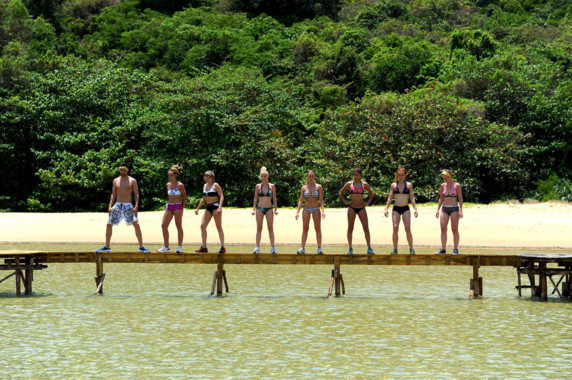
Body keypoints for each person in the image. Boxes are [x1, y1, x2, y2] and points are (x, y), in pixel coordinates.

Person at [96, 163, 150, 253]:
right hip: (117, 205)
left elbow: (136, 194)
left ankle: (141, 247)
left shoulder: (132, 180)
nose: (122, 171)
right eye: (121, 170)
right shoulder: (116, 180)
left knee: (136, 224)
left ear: (127, 170)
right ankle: (107, 246)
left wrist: (136, 206)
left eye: (124, 170)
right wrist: (110, 206)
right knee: (109, 224)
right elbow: (113, 194)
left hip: (128, 206)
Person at [338, 168, 375, 255]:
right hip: (352, 208)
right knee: (350, 228)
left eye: (357, 175)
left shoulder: (364, 184)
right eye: (354, 175)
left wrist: (368, 202)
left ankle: (369, 248)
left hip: (361, 208)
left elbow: (372, 194)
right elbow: (341, 193)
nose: (355, 177)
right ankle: (350, 248)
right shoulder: (349, 184)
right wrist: (346, 202)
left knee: (366, 228)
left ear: (360, 175)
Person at [384, 168, 419, 255]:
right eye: (399, 175)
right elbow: (390, 197)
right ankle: (395, 248)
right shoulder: (393, 185)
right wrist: (386, 208)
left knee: (407, 228)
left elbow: (412, 197)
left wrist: (415, 209)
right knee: (395, 228)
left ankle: (411, 248)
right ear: (397, 175)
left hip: (405, 208)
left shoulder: (409, 185)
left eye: (402, 175)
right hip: (396, 208)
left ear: (405, 175)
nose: (400, 177)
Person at [157, 165, 187, 253]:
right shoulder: (168, 185)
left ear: (175, 175)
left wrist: (182, 207)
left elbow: (184, 197)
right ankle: (166, 246)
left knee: (178, 226)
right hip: (169, 206)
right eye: (169, 175)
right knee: (163, 225)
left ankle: (179, 246)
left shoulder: (180, 185)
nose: (170, 177)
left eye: (171, 175)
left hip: (178, 206)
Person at [295, 170, 325, 254]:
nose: (311, 178)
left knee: (317, 228)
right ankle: (302, 248)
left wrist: (323, 210)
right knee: (305, 228)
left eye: (312, 176)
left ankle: (319, 248)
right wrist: (297, 212)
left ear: (314, 177)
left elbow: (321, 199)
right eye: (309, 176)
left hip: (316, 208)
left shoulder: (319, 187)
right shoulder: (304, 188)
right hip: (306, 209)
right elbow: (301, 200)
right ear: (307, 177)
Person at [194, 171, 226, 253]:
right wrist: (197, 208)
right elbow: (204, 199)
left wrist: (219, 207)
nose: (206, 178)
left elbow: (221, 196)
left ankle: (223, 247)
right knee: (202, 226)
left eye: (208, 176)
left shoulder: (215, 185)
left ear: (212, 178)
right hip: (208, 207)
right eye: (205, 176)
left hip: (215, 207)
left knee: (218, 226)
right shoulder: (204, 186)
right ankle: (204, 246)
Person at [435, 169, 464, 255]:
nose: (444, 179)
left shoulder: (457, 185)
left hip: (454, 208)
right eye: (443, 178)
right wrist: (437, 209)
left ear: (449, 177)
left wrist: (460, 210)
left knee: (454, 229)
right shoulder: (443, 185)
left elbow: (460, 198)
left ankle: (455, 249)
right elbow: (441, 198)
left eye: (445, 177)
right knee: (443, 229)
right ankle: (443, 249)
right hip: (445, 208)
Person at [252, 166, 278, 254]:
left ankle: (273, 247)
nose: (264, 177)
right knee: (259, 228)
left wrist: (276, 209)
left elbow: (274, 198)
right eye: (262, 176)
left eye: (265, 176)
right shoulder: (258, 186)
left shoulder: (272, 186)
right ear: (260, 177)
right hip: (260, 208)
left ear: (268, 176)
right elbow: (255, 198)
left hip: (269, 208)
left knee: (270, 228)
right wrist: (253, 209)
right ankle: (257, 247)